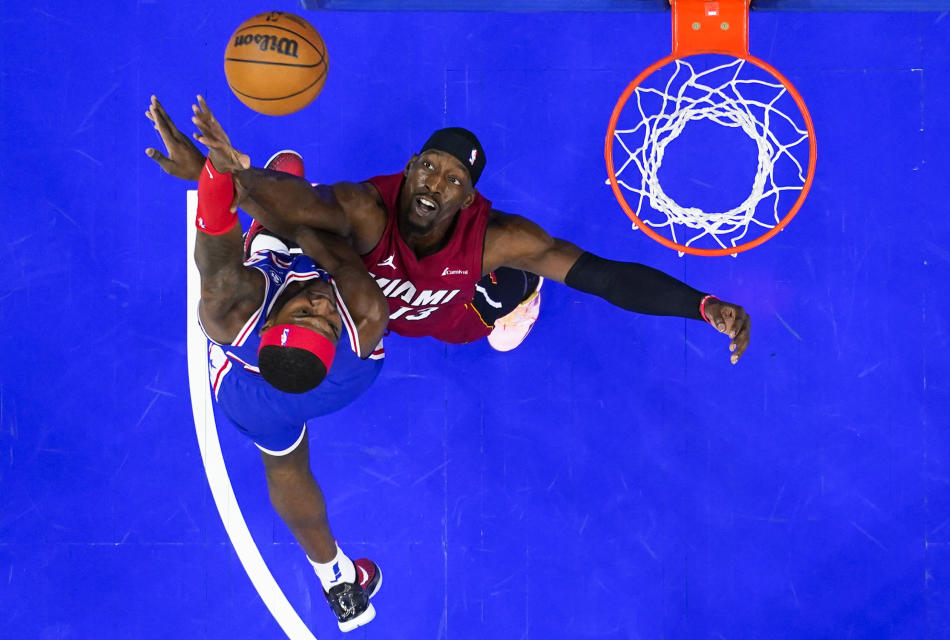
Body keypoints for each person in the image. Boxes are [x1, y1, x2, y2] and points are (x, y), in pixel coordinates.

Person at [190, 97, 752, 363]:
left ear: (469, 196)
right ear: (410, 167)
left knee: (516, 288)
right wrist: (231, 173)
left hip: (456, 313)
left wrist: (700, 305)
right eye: (430, 166)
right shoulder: (366, 209)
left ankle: (522, 298)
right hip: (370, 303)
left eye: (455, 179)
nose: (437, 183)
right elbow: (306, 204)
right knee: (296, 221)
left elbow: (602, 277)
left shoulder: (497, 238)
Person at [145, 96, 386, 633]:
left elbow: (214, 234)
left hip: (254, 398)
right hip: (336, 381)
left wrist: (218, 173)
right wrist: (253, 188)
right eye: (321, 315)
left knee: (283, 461)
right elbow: (321, 244)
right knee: (310, 209)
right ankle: (337, 582)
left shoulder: (231, 308)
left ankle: (335, 579)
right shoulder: (361, 324)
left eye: (311, 311)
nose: (323, 306)